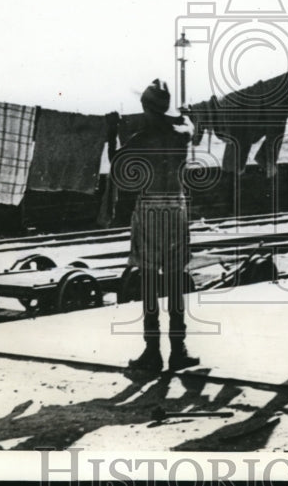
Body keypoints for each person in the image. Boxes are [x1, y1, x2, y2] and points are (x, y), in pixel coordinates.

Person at [112, 79, 199, 373]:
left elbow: (118, 167)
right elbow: (190, 125)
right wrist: (183, 115)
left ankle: (152, 352)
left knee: (149, 281)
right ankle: (179, 350)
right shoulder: (181, 134)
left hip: (149, 207)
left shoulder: (140, 138)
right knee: (175, 281)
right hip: (176, 207)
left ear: (145, 107)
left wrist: (113, 134)